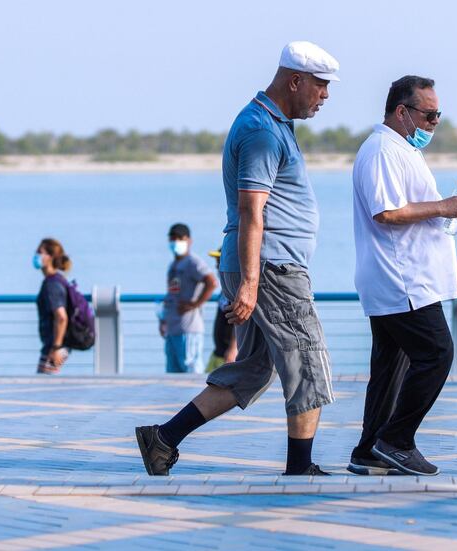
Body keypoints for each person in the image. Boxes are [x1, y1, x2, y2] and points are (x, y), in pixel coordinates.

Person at [136, 41, 339, 476]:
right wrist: (249, 283)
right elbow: (252, 210)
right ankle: (300, 468)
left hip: (263, 266)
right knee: (307, 360)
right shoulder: (263, 131)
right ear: (295, 81)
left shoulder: (272, 124)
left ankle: (163, 438)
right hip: (271, 269)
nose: (325, 96)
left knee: (252, 369)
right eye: (320, 86)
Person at [348, 75, 457, 477]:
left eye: (439, 114)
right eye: (429, 114)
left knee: (391, 367)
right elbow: (387, 212)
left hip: (404, 278)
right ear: (402, 112)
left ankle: (368, 450)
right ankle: (397, 440)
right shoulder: (383, 150)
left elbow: (411, 214)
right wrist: (444, 206)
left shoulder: (402, 149)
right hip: (400, 281)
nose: (435, 122)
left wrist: (450, 262)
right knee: (438, 353)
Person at [159, 223, 218, 374]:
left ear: (189, 240)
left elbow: (211, 282)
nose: (175, 242)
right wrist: (163, 319)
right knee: (172, 373)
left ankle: (197, 398)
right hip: (173, 328)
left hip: (188, 328)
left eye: (180, 238)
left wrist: (195, 303)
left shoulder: (193, 262)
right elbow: (172, 294)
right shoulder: (173, 265)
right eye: (172, 238)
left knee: (191, 369)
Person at [33, 238, 72, 375]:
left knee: (44, 384)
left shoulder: (51, 284)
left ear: (50, 257)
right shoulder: (58, 280)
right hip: (60, 345)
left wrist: (56, 348)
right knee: (46, 382)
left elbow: (61, 317)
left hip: (56, 346)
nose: (36, 255)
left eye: (40, 252)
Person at [205, 248, 238, 373]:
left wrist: (233, 348)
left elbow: (239, 320)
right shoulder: (224, 290)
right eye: (216, 262)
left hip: (229, 354)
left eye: (220, 261)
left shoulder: (235, 290)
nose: (216, 265)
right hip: (218, 352)